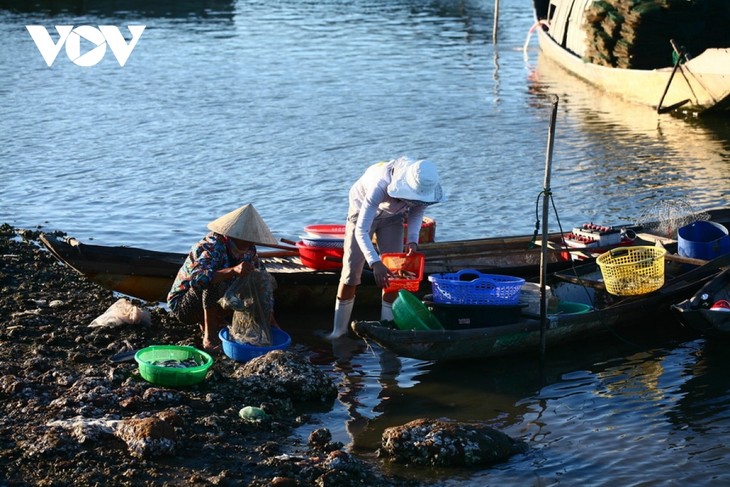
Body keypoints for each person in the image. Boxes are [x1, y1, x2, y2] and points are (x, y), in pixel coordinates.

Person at [330, 156, 445, 338]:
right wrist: (375, 262)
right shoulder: (381, 185)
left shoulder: (422, 186)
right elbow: (361, 230)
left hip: (393, 218)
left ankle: (387, 329)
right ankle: (338, 332)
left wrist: (412, 241)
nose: (416, 201)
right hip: (361, 213)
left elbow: (416, 213)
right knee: (351, 274)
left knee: (394, 277)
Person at [167, 204, 279, 352]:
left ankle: (267, 328)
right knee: (212, 283)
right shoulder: (211, 245)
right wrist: (233, 270)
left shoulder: (249, 250)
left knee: (260, 279)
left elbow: (260, 278)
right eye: (247, 239)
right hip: (185, 306)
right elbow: (199, 280)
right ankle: (209, 336)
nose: (251, 243)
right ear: (234, 235)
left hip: (219, 301)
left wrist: (270, 320)